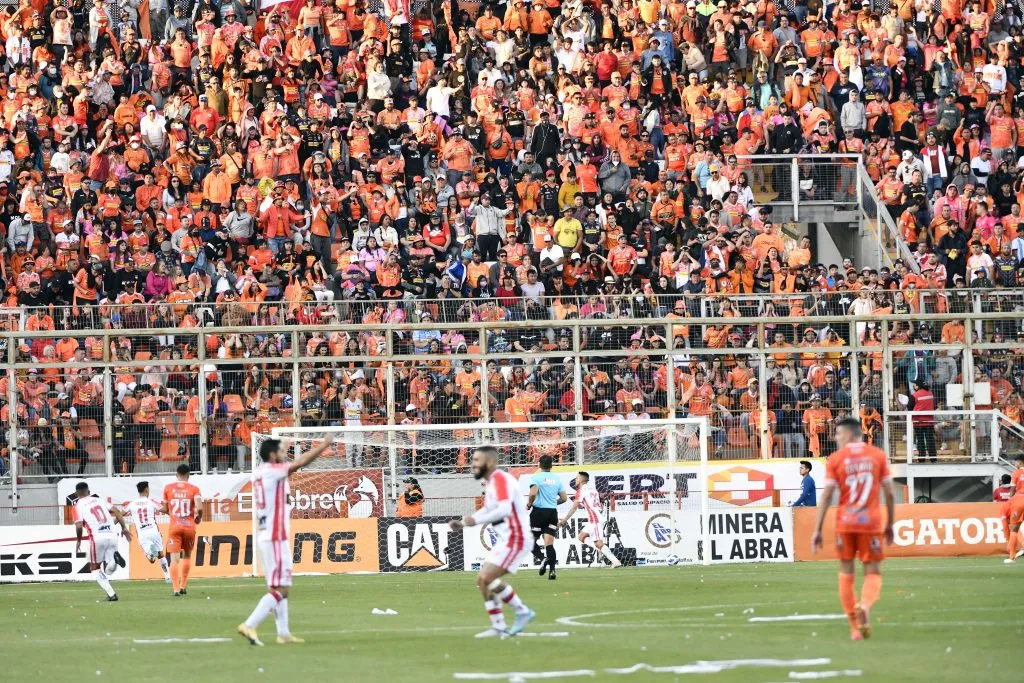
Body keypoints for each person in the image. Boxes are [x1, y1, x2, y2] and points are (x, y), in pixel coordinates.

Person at [238, 435, 335, 646]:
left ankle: (283, 633)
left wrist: (284, 444)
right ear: (273, 456)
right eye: (281, 453)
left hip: (267, 535)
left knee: (281, 588)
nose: (285, 456)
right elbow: (300, 463)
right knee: (281, 589)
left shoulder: (259, 472)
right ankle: (250, 624)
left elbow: (280, 460)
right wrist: (324, 445)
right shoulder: (274, 472)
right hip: (275, 537)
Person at [812, 418, 896, 641]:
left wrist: (817, 529)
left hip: (845, 523)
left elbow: (828, 495)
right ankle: (865, 606)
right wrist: (890, 524)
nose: (835, 438)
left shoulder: (836, 459)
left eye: (838, 434)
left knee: (846, 573)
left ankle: (854, 628)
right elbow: (888, 493)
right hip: (871, 523)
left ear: (849, 435)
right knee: (873, 571)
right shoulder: (877, 455)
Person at [448, 446, 535, 638]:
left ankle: (521, 612)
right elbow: (488, 510)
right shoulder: (491, 483)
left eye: (477, 460)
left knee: (487, 578)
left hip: (516, 537)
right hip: (506, 538)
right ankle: (499, 626)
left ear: (489, 462)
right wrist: (463, 523)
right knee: (483, 580)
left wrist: (474, 521)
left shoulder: (500, 479)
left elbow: (504, 509)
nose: (473, 464)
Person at [73, 482, 131, 601]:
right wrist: (124, 528)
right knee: (109, 570)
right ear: (88, 491)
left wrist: (78, 540)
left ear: (76, 493)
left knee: (94, 567)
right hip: (112, 534)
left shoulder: (77, 506)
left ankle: (112, 594)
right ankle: (114, 561)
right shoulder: (99, 500)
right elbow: (117, 511)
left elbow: (79, 525)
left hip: (96, 537)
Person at [559, 471, 622, 568]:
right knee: (581, 537)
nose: (575, 480)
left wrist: (565, 520)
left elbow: (574, 507)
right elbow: (590, 504)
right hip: (594, 518)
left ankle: (615, 561)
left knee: (599, 543)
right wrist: (582, 505)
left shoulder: (580, 491)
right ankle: (600, 550)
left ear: (580, 479)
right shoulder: (593, 490)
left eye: (576, 478)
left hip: (595, 519)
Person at [163, 463, 202, 596]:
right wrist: (198, 517)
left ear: (176, 474)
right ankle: (183, 585)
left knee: (174, 559)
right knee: (187, 555)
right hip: (189, 527)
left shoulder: (168, 488)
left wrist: (172, 514)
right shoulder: (194, 489)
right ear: (188, 475)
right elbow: (200, 508)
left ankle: (175, 589)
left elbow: (166, 508)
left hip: (175, 527)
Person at [527, 454, 567, 580]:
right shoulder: (557, 479)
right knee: (549, 544)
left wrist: (529, 504)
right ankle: (552, 571)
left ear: (539, 464)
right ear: (551, 466)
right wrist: (553, 502)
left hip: (538, 513)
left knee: (530, 542)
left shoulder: (536, 477)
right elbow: (564, 498)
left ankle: (543, 559)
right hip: (552, 513)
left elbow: (533, 492)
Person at [126, 481, 171, 583]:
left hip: (143, 533)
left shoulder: (132, 504)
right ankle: (167, 577)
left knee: (152, 560)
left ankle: (150, 554)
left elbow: (120, 513)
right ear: (146, 489)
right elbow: (165, 510)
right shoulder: (151, 502)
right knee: (161, 555)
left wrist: (113, 523)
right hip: (154, 531)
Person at [1005, 456, 1024, 564]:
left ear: (1020, 462)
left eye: (1016, 461)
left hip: (1019, 500)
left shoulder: (1016, 473)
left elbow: (1012, 489)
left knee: (1014, 529)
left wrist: (1009, 501)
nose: (1015, 463)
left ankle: (1011, 557)